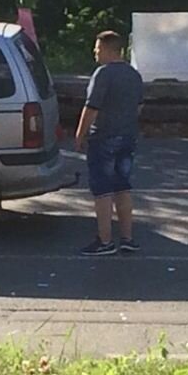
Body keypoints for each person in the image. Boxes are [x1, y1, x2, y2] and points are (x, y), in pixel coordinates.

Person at [75, 31, 144, 256]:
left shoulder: (103, 74)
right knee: (122, 187)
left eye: (97, 49)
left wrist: (80, 134)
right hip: (127, 136)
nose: (95, 53)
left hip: (103, 137)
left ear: (107, 49)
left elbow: (91, 107)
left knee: (102, 191)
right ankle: (128, 238)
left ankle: (105, 241)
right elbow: (138, 107)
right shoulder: (134, 75)